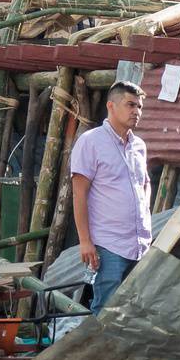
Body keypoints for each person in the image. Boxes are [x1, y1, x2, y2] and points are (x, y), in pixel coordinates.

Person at [69, 81, 152, 311]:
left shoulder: (139, 145)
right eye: (130, 105)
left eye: (140, 106)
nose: (136, 111)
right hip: (109, 245)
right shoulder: (91, 141)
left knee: (133, 311)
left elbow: (145, 183)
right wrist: (85, 241)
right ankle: (100, 349)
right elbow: (79, 193)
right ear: (111, 106)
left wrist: (145, 220)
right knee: (106, 309)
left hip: (140, 244)